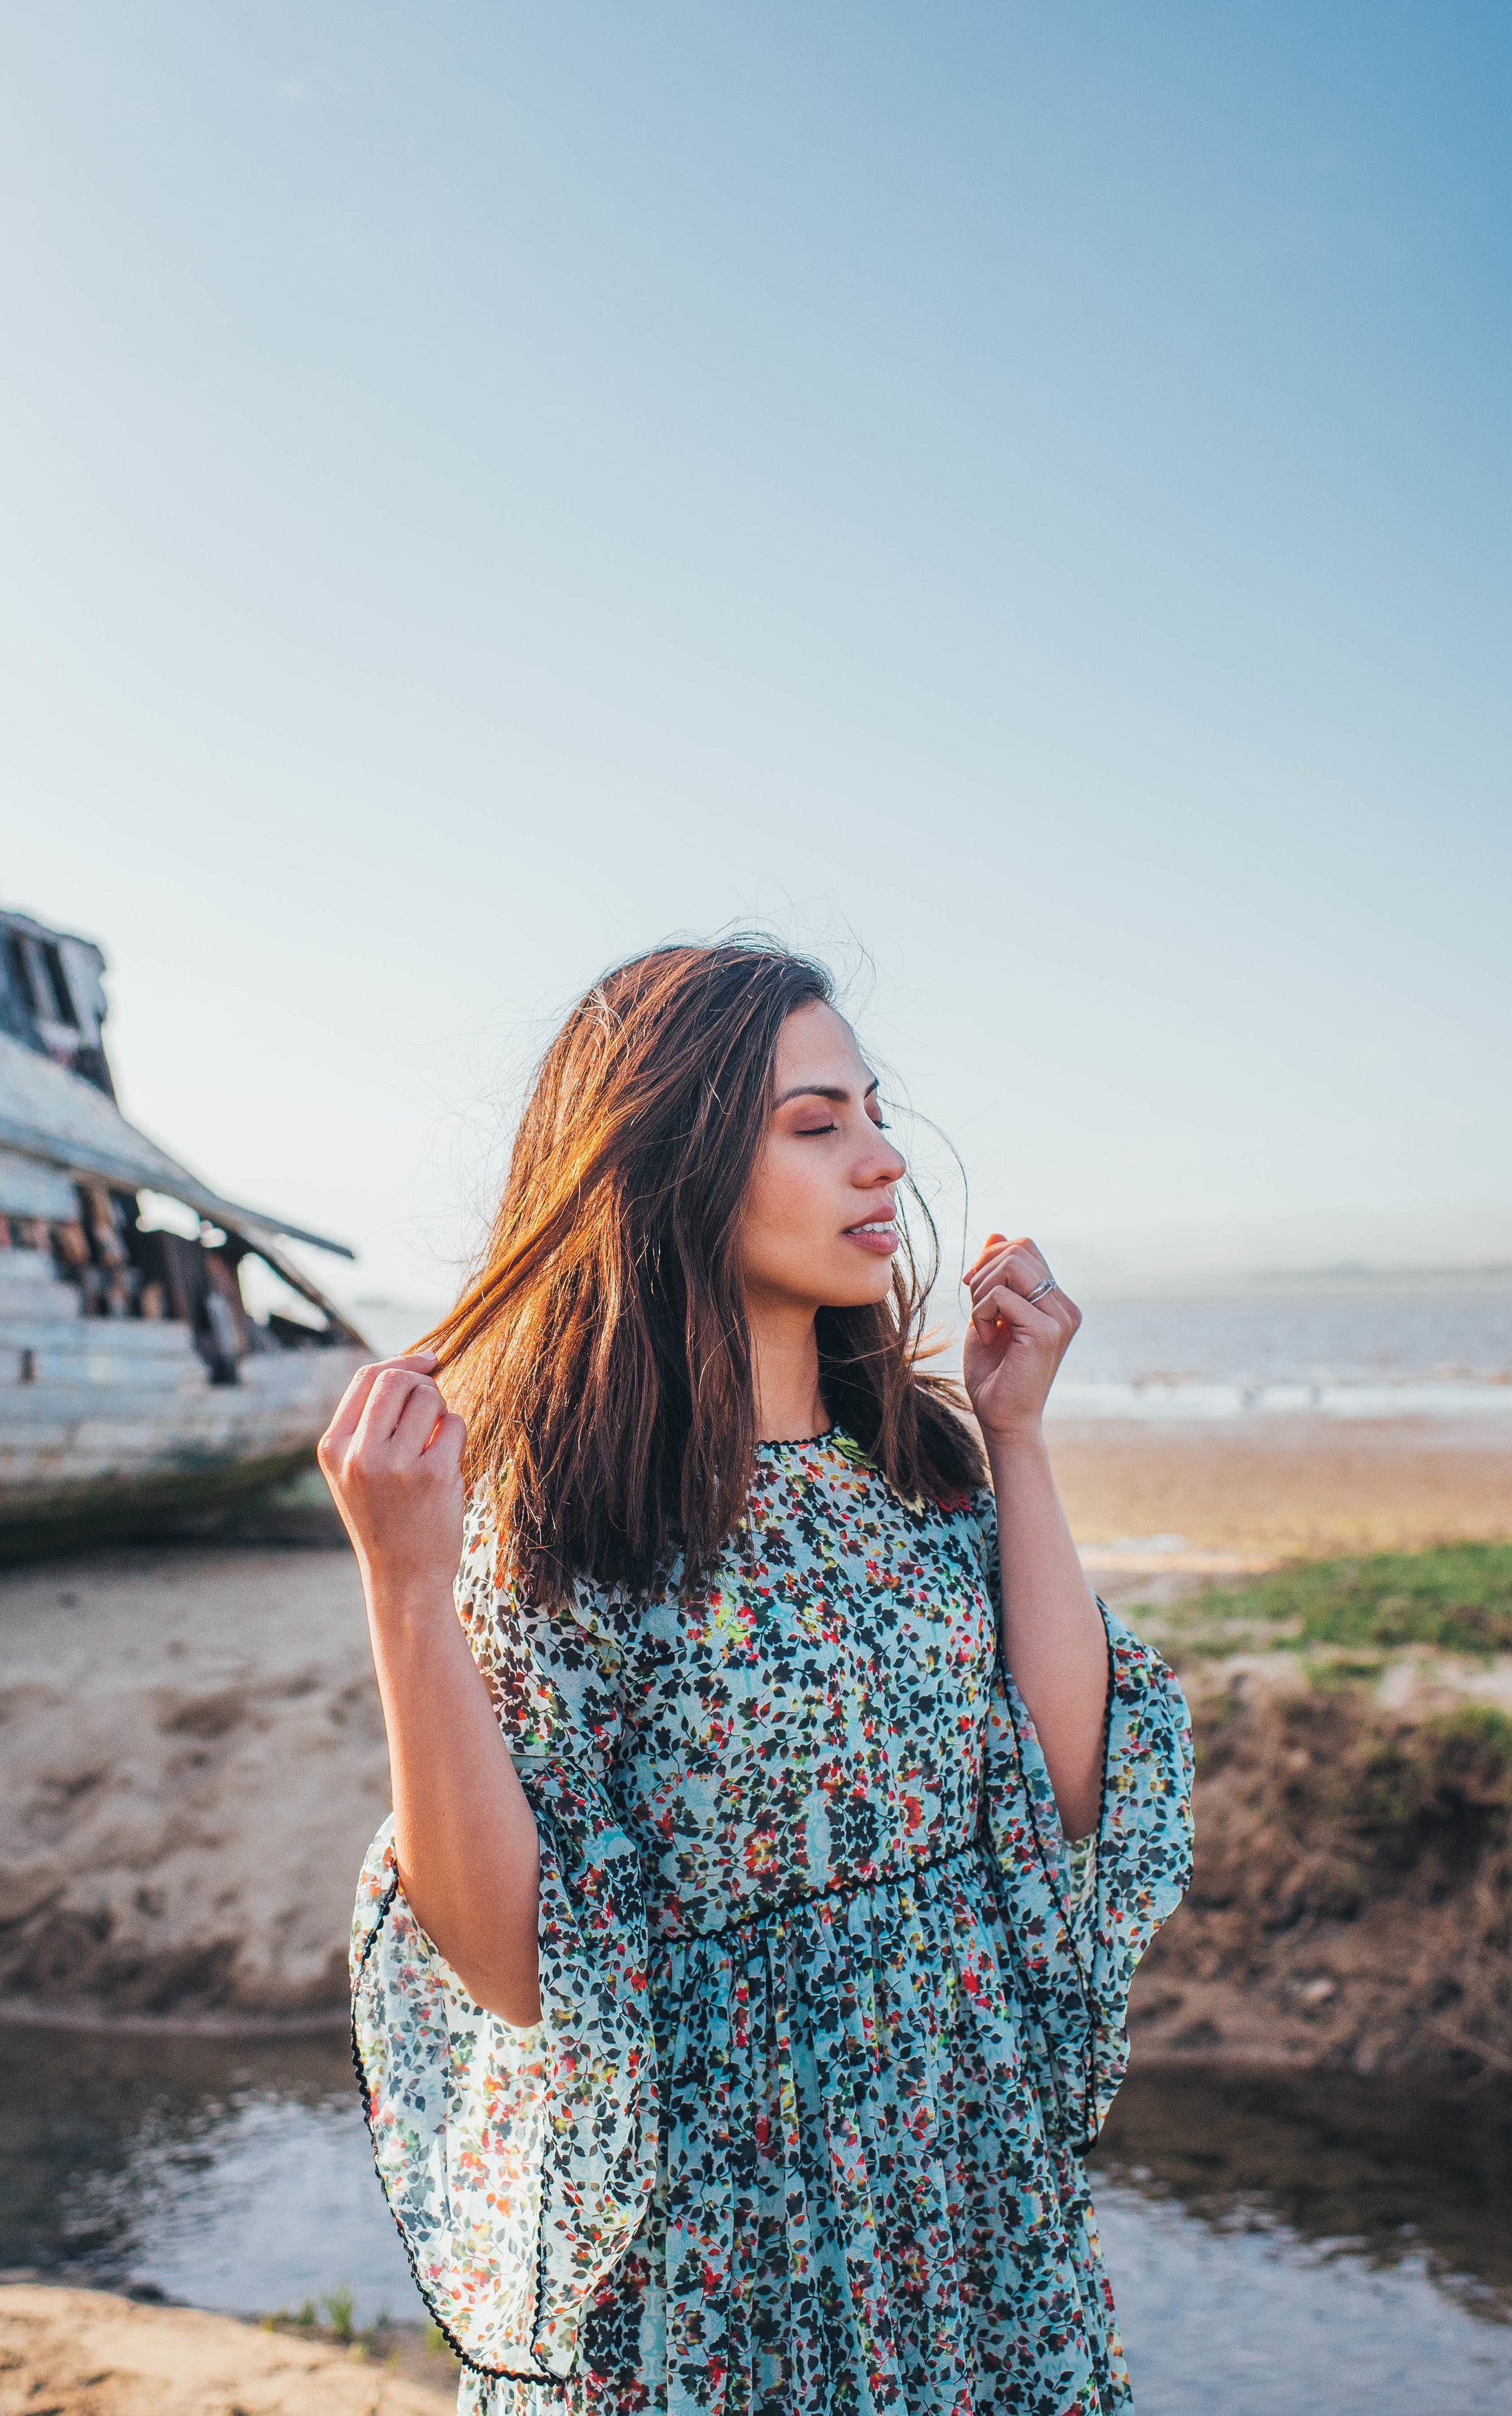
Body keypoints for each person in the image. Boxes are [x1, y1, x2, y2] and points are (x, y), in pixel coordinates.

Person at [320, 939, 1192, 2416]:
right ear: (669, 1163)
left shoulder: (912, 1471)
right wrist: (403, 1582)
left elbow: (1057, 1791)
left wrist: (1018, 1432)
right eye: (816, 1123)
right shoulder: (559, 1518)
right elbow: (505, 1958)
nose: (885, 1160)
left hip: (962, 2193)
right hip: (719, 2240)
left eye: (873, 1110)